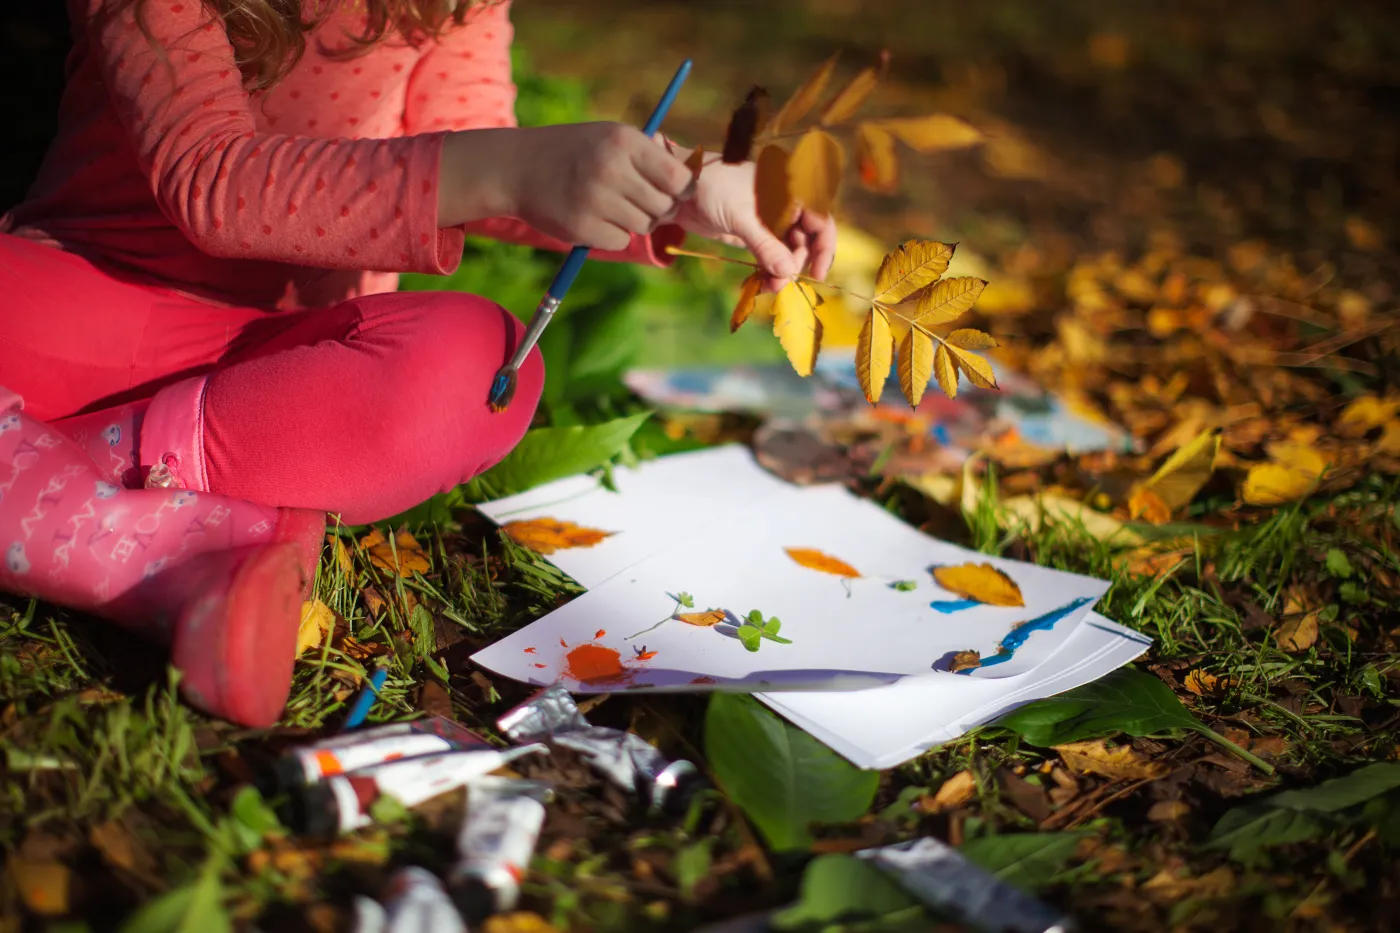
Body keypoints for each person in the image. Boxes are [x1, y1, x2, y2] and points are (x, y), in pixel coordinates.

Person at [0, 0, 836, 727]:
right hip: (91, 299)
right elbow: (214, 180)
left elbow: (482, 152)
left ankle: (62, 475)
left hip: (296, 361)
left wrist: (679, 191)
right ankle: (197, 537)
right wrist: (510, 170)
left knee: (476, 367)